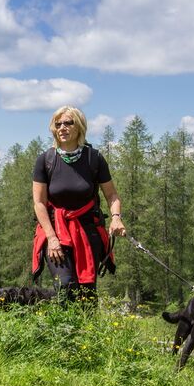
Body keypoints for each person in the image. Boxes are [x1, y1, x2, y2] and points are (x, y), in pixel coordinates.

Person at [32, 106, 126, 303]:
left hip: (89, 231)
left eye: (68, 123)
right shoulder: (46, 160)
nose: (62, 128)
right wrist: (51, 238)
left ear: (80, 127)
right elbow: (39, 203)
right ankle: (64, 332)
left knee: (87, 292)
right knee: (65, 286)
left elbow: (112, 195)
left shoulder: (94, 158)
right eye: (58, 124)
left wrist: (116, 218)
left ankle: (88, 333)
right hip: (55, 230)